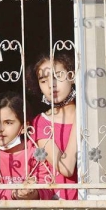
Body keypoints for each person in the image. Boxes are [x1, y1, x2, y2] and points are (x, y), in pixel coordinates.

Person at [0, 92, 54, 200]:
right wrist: (13, 194)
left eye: (8, 123)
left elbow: (48, 188)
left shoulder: (35, 152)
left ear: (24, 126)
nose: (0, 128)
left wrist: (33, 193)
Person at [28, 52, 78, 200]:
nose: (51, 85)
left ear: (72, 76)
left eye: (57, 76)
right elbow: (66, 168)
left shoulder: (94, 117)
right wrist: (79, 119)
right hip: (61, 203)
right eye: (43, 80)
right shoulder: (41, 122)